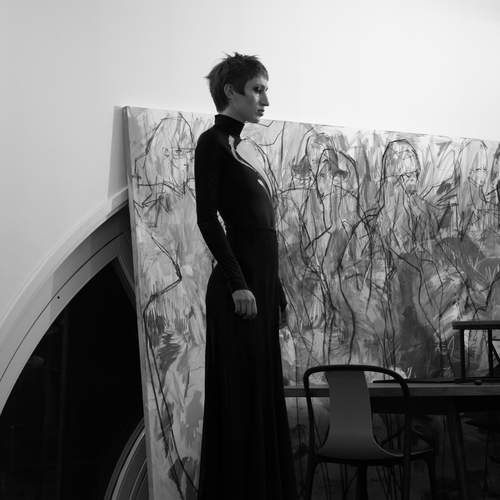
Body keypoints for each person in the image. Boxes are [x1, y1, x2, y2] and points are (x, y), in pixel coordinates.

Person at [194, 52, 298, 500]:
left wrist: (277, 293)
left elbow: (263, 235)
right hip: (239, 296)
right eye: (257, 90)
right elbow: (207, 218)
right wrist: (239, 284)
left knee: (261, 398)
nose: (265, 101)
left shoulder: (239, 151)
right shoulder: (212, 143)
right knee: (240, 401)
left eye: (265, 90)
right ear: (230, 91)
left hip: (260, 293)